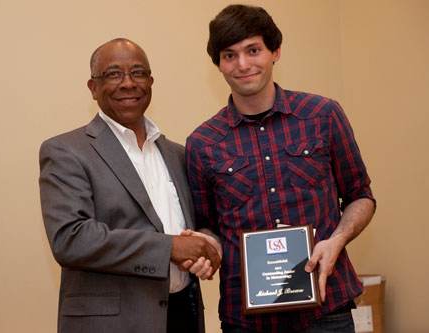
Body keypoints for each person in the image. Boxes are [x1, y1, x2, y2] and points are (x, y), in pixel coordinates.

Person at [186, 5, 376, 332]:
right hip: (244, 318)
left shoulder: (323, 115)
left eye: (253, 50)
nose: (243, 64)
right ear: (218, 65)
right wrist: (205, 249)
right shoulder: (202, 143)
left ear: (275, 52)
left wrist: (338, 239)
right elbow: (207, 226)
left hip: (326, 308)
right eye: (229, 55)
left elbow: (361, 196)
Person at [39, 38, 221, 333]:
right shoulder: (65, 151)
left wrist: (207, 247)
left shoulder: (177, 153)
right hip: (114, 325)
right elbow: (70, 238)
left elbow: (202, 225)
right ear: (93, 88)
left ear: (150, 82)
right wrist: (170, 247)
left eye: (137, 73)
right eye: (113, 74)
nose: (128, 83)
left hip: (183, 317)